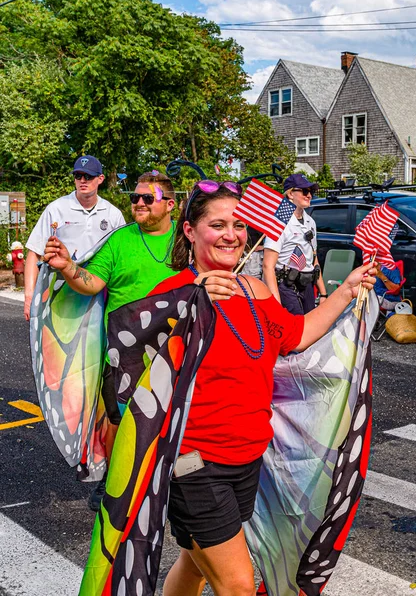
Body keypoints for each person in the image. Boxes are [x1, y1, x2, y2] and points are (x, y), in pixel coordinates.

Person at [144, 179, 376, 596]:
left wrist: (346, 290)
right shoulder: (172, 294)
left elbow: (298, 333)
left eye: (238, 225)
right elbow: (135, 363)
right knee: (237, 583)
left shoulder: (255, 290)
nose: (231, 235)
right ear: (189, 230)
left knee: (195, 564)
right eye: (217, 225)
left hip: (250, 458)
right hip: (195, 462)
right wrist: (191, 299)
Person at [42, 170, 178, 510]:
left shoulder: (186, 238)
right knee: (121, 418)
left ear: (171, 205)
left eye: (148, 198)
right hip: (125, 354)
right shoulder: (119, 240)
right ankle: (114, 479)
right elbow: (92, 283)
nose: (139, 203)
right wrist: (67, 268)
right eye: (134, 198)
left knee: (175, 416)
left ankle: (173, 480)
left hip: (175, 346)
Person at [24, 155, 125, 320]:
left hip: (99, 295)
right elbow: (34, 252)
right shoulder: (56, 209)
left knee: (96, 344)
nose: (82, 180)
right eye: (78, 176)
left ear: (100, 179)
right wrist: (29, 297)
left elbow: (121, 260)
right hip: (60, 294)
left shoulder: (113, 214)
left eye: (88, 176)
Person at [263, 173, 327, 314]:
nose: (309, 195)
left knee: (311, 325)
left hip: (307, 283)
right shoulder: (279, 222)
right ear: (291, 194)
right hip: (286, 285)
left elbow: (313, 258)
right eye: (305, 191)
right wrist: (276, 303)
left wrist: (323, 293)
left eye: (311, 192)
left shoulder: (311, 222)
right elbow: (268, 266)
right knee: (297, 328)